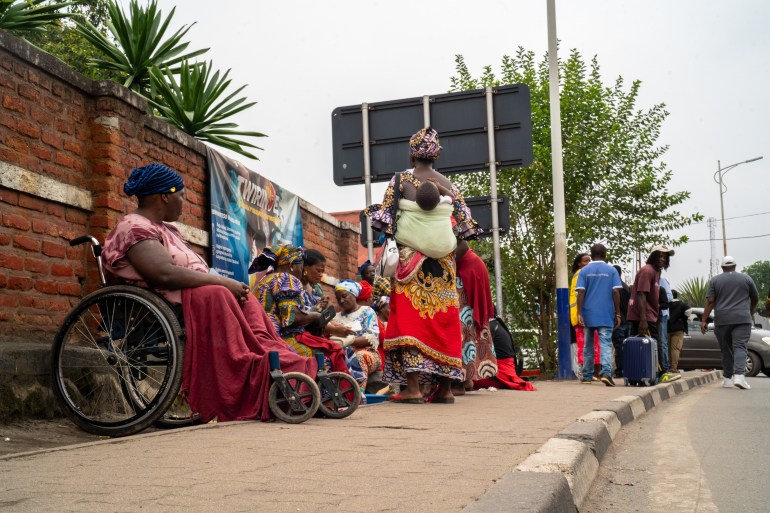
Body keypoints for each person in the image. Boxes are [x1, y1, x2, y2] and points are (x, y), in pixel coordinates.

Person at [102, 163, 319, 423]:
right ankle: (249, 379)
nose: (184, 202)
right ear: (165, 196)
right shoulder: (135, 227)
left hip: (190, 297)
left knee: (246, 299)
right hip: (166, 302)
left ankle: (279, 363)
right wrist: (222, 283)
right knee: (220, 294)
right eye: (182, 196)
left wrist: (226, 284)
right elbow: (163, 274)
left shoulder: (168, 229)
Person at [364, 126, 481, 404]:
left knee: (410, 321)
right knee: (444, 320)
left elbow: (386, 220)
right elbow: (465, 225)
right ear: (436, 155)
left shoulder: (400, 180)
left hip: (411, 263)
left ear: (411, 153)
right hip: (444, 264)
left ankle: (414, 389)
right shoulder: (449, 186)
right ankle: (445, 389)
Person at [251, 245, 352, 373]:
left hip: (262, 337)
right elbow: (292, 318)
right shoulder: (286, 278)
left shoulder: (266, 279)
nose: (301, 269)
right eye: (301, 265)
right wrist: (316, 316)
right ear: (292, 265)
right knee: (328, 357)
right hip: (279, 338)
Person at [701, 256, 759, 390]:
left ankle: (727, 379)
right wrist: (750, 310)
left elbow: (710, 301)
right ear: (735, 266)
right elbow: (755, 297)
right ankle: (739, 376)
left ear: (722, 267)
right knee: (740, 346)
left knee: (726, 349)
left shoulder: (715, 280)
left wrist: (704, 320)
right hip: (742, 318)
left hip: (722, 319)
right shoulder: (746, 279)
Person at [627, 245, 679, 383]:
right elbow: (641, 295)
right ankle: (662, 373)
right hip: (644, 316)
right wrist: (643, 320)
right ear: (653, 256)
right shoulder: (647, 271)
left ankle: (644, 375)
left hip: (650, 315)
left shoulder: (656, 272)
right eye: (660, 256)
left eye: (665, 257)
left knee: (650, 345)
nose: (663, 259)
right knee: (655, 345)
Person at [575, 244, 622, 386]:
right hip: (606, 314)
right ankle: (606, 373)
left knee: (588, 346)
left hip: (588, 314)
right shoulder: (611, 270)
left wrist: (579, 312)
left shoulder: (584, 271)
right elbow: (615, 292)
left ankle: (587, 376)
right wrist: (618, 314)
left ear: (591, 254)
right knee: (605, 344)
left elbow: (580, 292)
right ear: (605, 255)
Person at [455, 239, 498, 392]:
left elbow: (461, 246)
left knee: (462, 324)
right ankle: (467, 379)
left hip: (467, 271)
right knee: (468, 324)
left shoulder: (450, 228)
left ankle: (459, 381)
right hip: (469, 270)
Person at [333, 280, 382, 392]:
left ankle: (357, 394)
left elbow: (371, 338)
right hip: (341, 353)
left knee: (358, 357)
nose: (341, 301)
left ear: (354, 294)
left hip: (368, 352)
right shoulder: (335, 317)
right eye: (338, 298)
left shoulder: (367, 312)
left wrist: (347, 341)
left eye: (344, 296)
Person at [570, 253, 599, 379]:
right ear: (579, 264)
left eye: (589, 260)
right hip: (582, 316)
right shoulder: (581, 275)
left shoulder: (582, 274)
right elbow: (580, 295)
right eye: (585, 261)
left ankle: (590, 372)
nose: (588, 263)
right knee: (586, 345)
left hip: (583, 315)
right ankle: (587, 372)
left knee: (590, 344)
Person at [611, 265, 631, 378]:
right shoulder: (626, 286)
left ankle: (619, 371)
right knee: (625, 347)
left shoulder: (614, 288)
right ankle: (626, 369)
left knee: (619, 347)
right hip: (627, 321)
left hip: (618, 321)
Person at [667, 289, 690, 373]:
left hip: (667, 328)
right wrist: (683, 318)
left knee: (667, 349)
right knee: (675, 349)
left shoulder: (666, 304)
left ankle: (667, 367)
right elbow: (689, 311)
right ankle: (674, 368)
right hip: (678, 329)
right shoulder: (681, 304)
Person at [658, 275, 673, 373]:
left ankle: (665, 365)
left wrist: (658, 303)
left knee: (662, 341)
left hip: (662, 314)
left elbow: (669, 297)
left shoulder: (662, 280)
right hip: (652, 314)